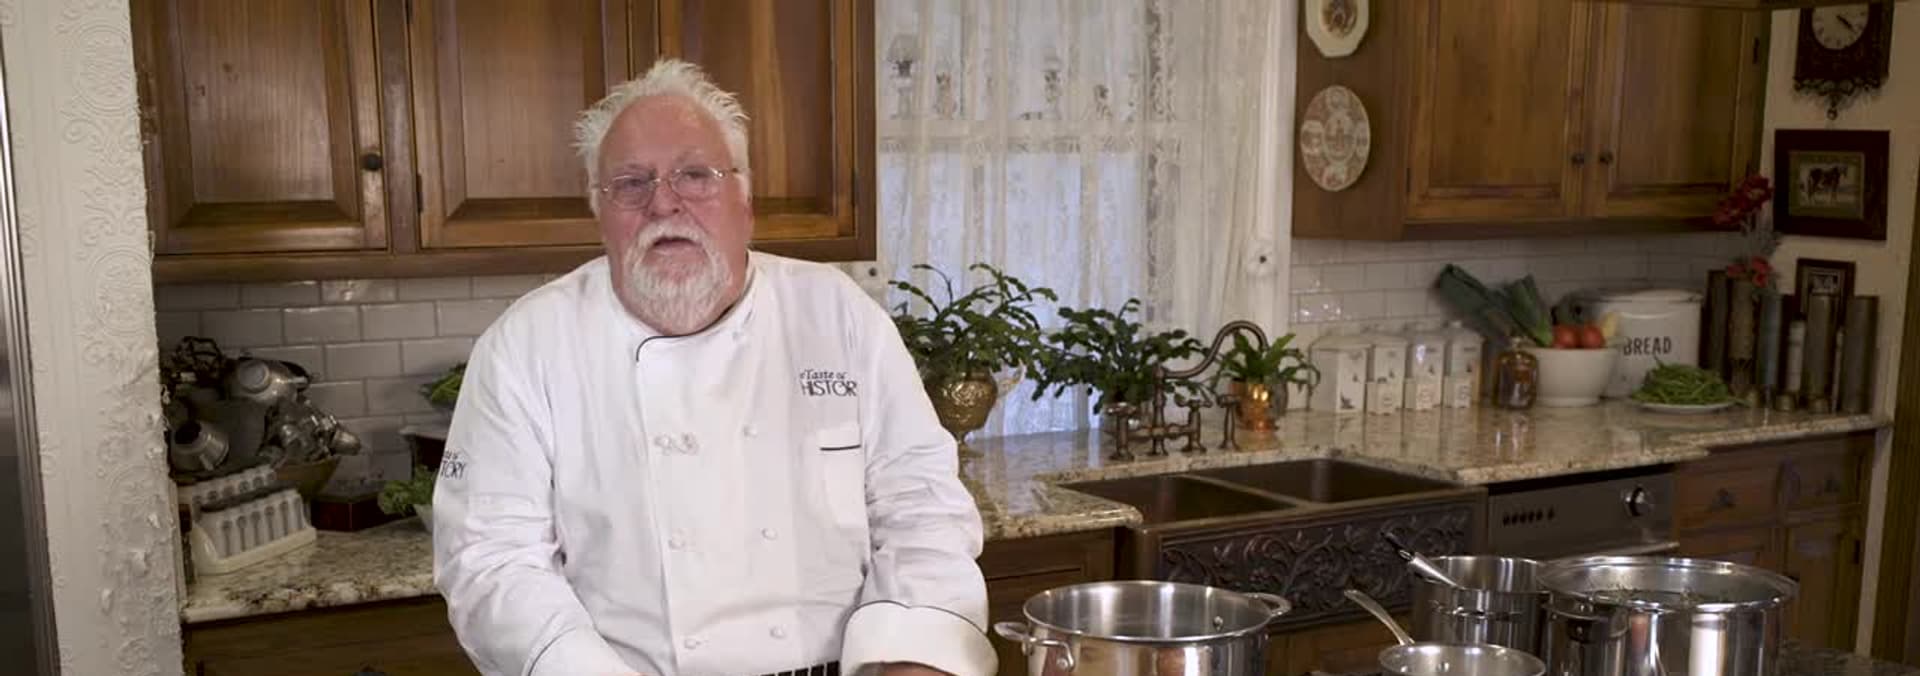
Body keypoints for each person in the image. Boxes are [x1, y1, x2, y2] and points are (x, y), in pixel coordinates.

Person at [431, 59, 996, 676]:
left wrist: (915, 654)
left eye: (695, 175)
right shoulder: (526, 346)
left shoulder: (837, 314)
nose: (663, 204)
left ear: (745, 201)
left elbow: (921, 505)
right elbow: (491, 559)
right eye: (630, 183)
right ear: (599, 214)